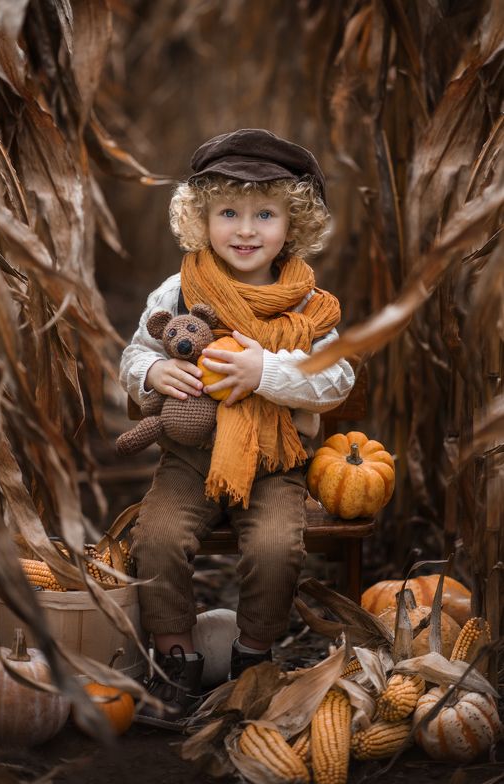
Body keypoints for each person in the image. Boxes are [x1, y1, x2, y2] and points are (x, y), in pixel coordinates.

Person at [119, 128, 355, 720]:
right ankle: (178, 663)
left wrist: (265, 371)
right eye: (228, 212)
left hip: (275, 462)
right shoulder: (179, 289)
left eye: (265, 214)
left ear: (292, 225)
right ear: (201, 220)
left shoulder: (306, 304)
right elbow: (134, 351)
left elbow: (337, 378)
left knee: (276, 543)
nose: (245, 229)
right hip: (190, 458)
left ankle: (254, 659)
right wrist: (151, 375)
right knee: (156, 538)